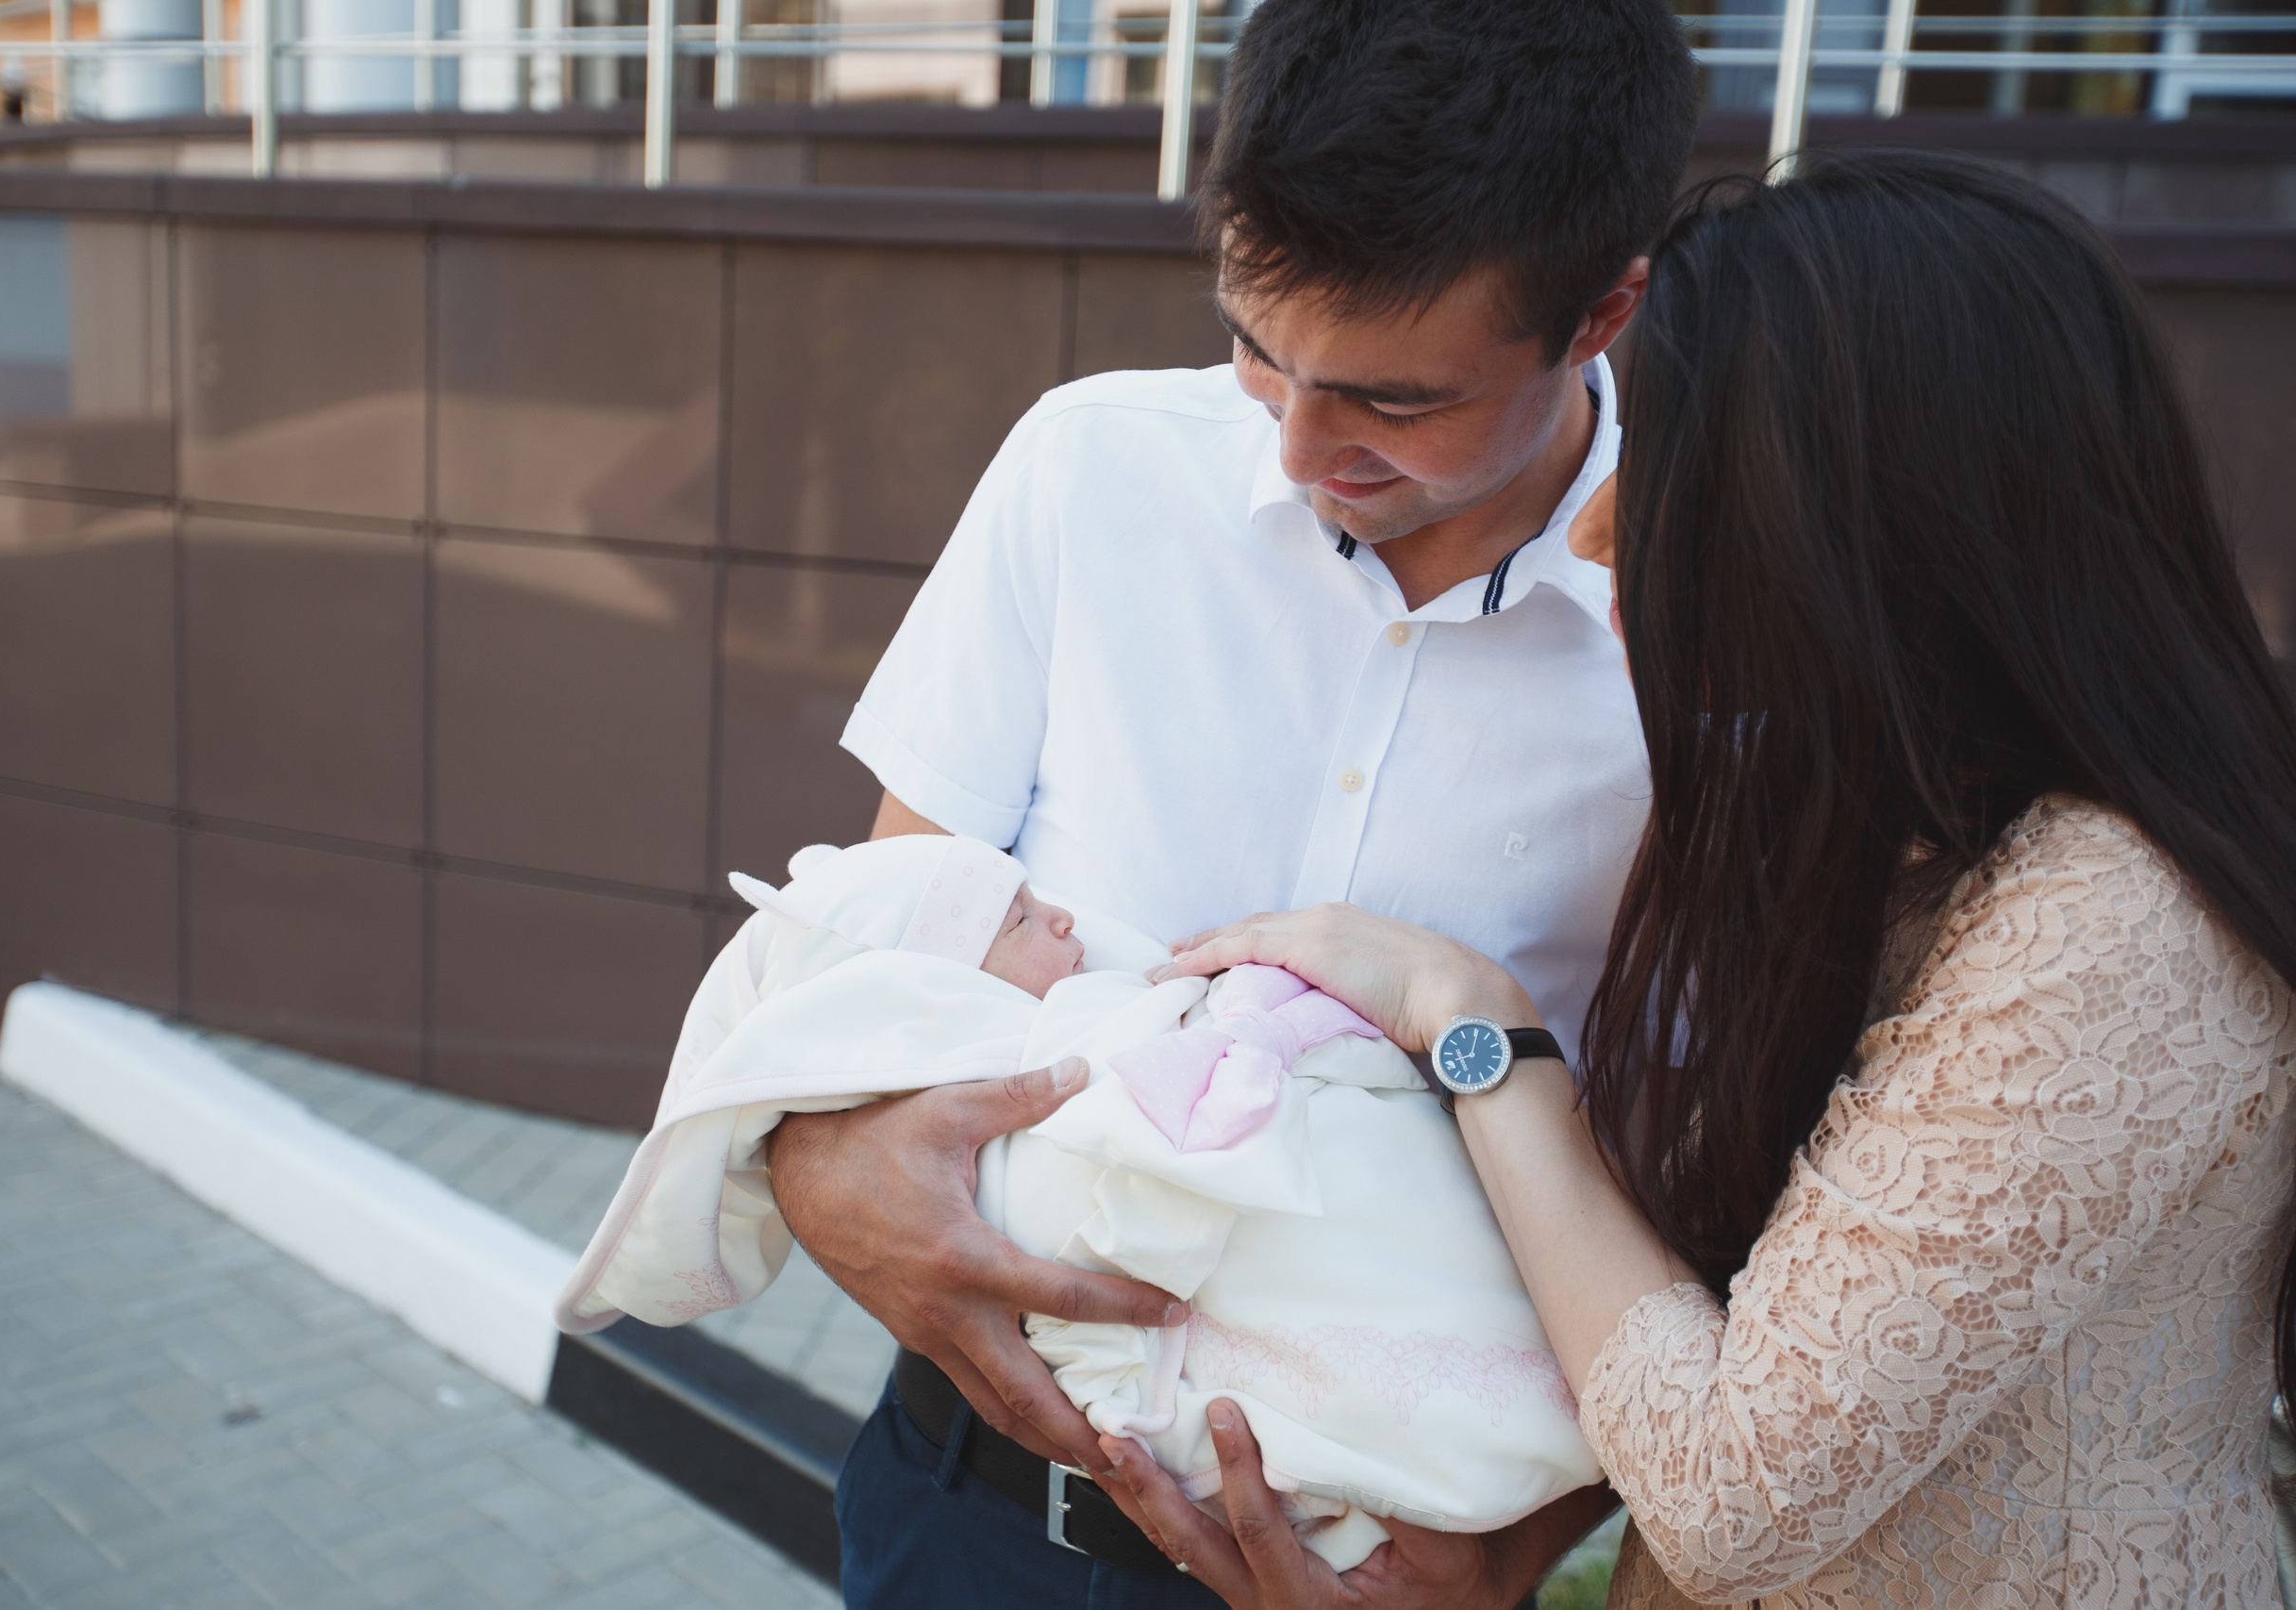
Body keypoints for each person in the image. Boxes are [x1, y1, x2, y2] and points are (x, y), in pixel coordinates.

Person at [1105, 152, 2296, 1608]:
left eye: (1665, 471)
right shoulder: (1912, 834)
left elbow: (1732, 1486)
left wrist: (1475, 1029)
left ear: (1861, 528)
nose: (1601, 532)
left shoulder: (2108, 926)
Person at [766, 1, 1701, 1602]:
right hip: (968, 1511)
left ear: (1603, 307)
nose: (1299, 438)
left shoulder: (1717, 618)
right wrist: (813, 1154)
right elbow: (892, 943)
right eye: (1258, 349)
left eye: (1396, 401)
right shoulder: (1090, 466)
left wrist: (1518, 1555)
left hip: (1381, 1558)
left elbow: (1715, 1163)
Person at [556, 836, 1602, 1573]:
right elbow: (1125, 1202)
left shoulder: (1104, 1016)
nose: (1059, 913)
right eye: (1016, 919)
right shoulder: (1039, 1080)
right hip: (964, 1502)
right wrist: (813, 1155)